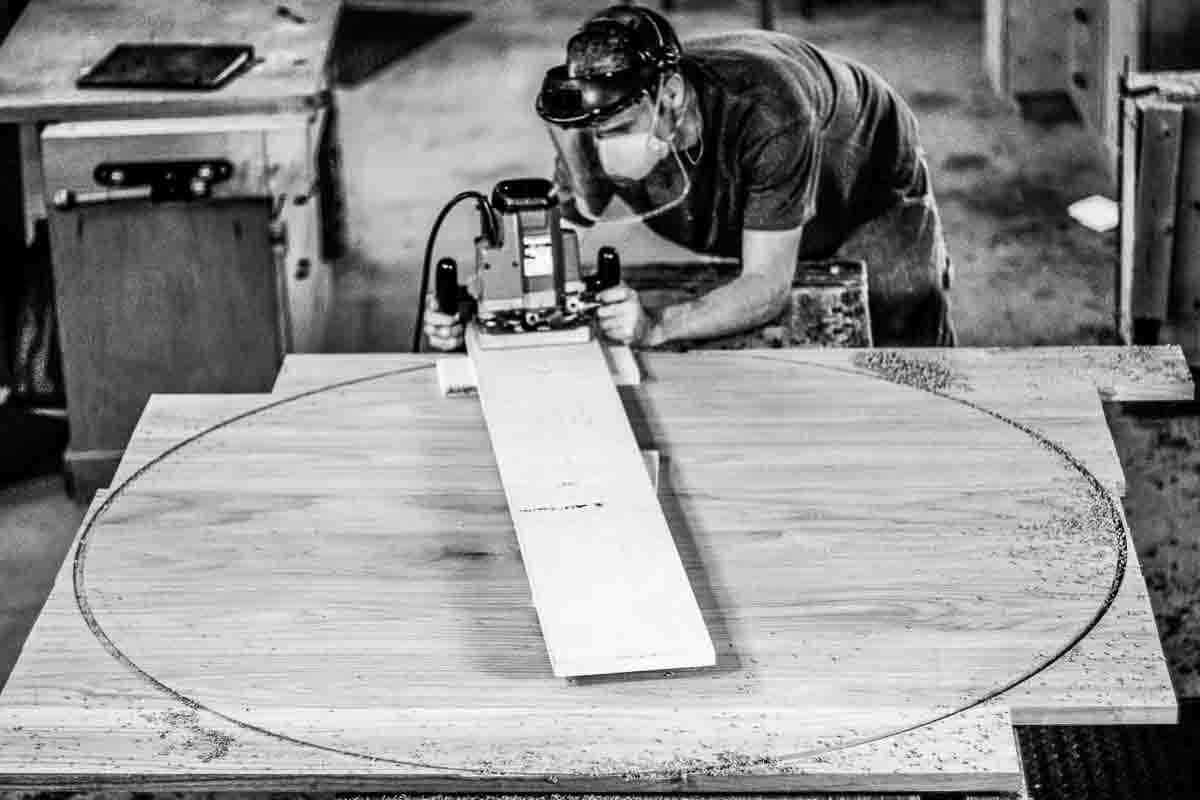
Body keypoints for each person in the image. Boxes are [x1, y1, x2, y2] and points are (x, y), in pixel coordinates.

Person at [424, 3, 955, 351]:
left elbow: (766, 286)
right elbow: (556, 233)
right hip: (754, 176)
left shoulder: (770, 112)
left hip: (865, 178)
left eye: (621, 128)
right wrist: (479, 302)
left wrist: (657, 325)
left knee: (901, 310)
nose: (607, 145)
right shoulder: (596, 111)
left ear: (670, 97)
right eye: (595, 131)